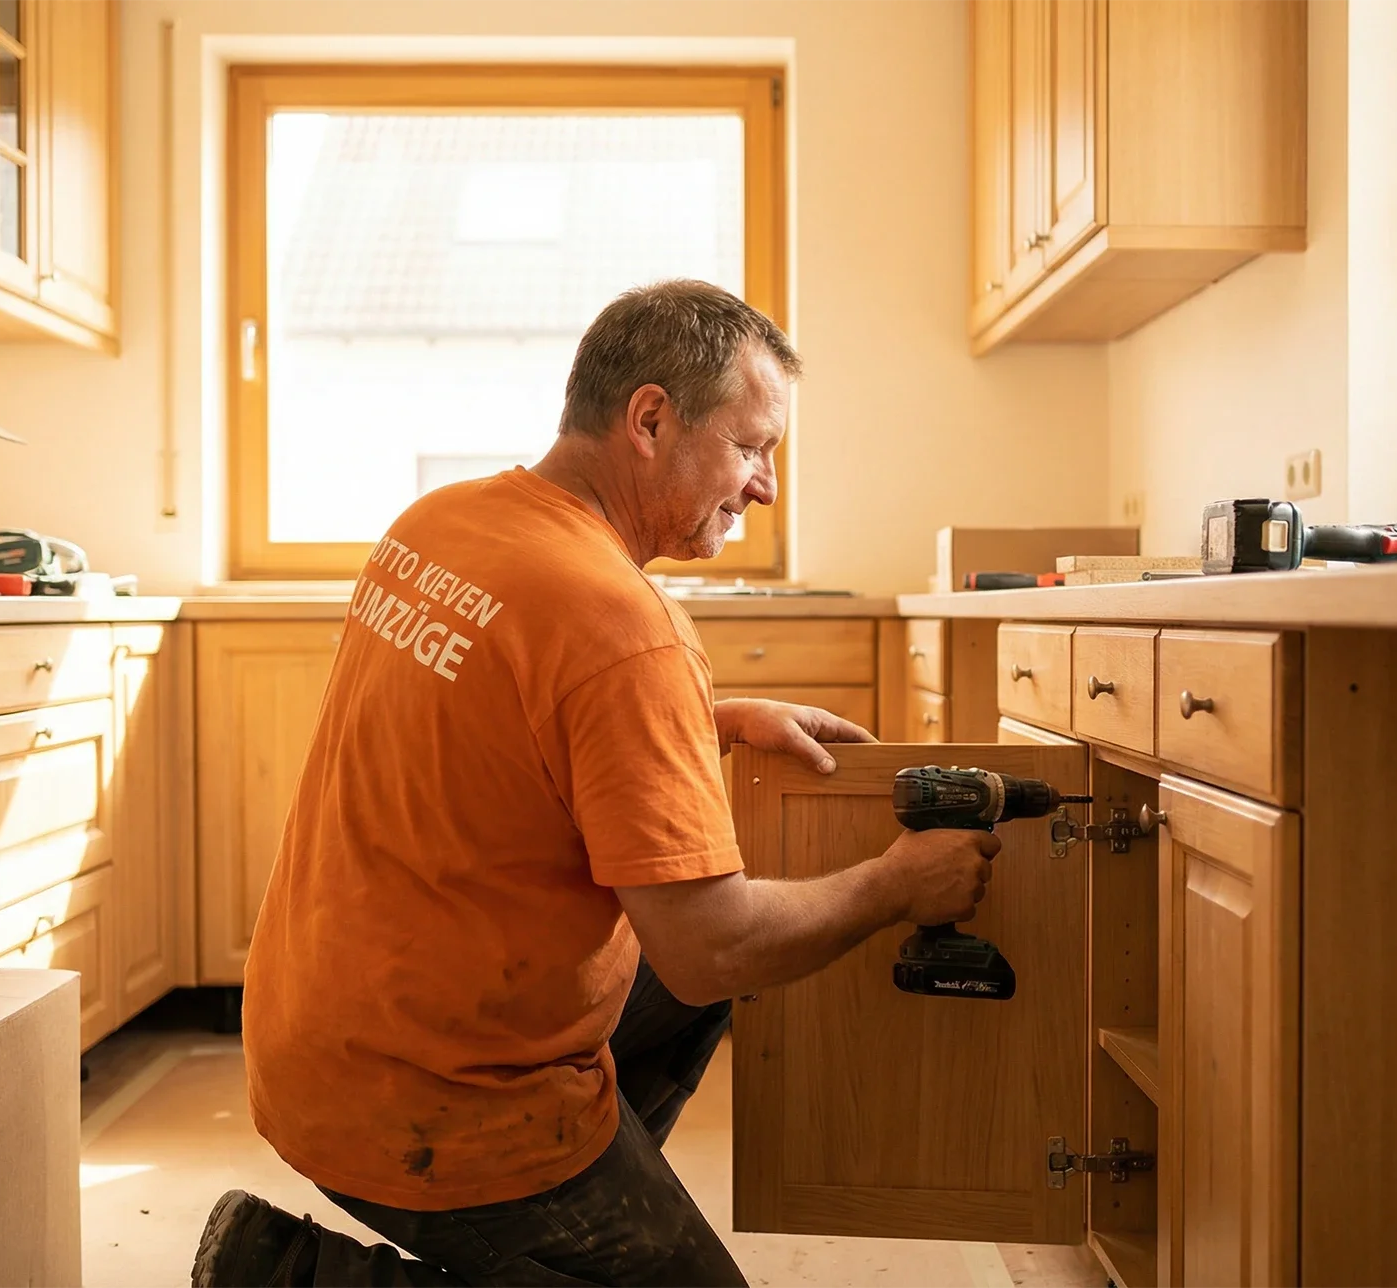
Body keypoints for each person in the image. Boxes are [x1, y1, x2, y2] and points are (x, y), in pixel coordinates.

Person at [192, 280, 1000, 1287]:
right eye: (753, 447)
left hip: (309, 1038)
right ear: (651, 419)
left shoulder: (442, 523)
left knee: (695, 943)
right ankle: (299, 1278)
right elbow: (711, 950)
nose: (765, 487)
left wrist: (706, 722)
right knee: (728, 945)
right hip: (426, 1106)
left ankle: (568, 1233)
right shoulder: (620, 625)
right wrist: (897, 885)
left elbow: (507, 730)